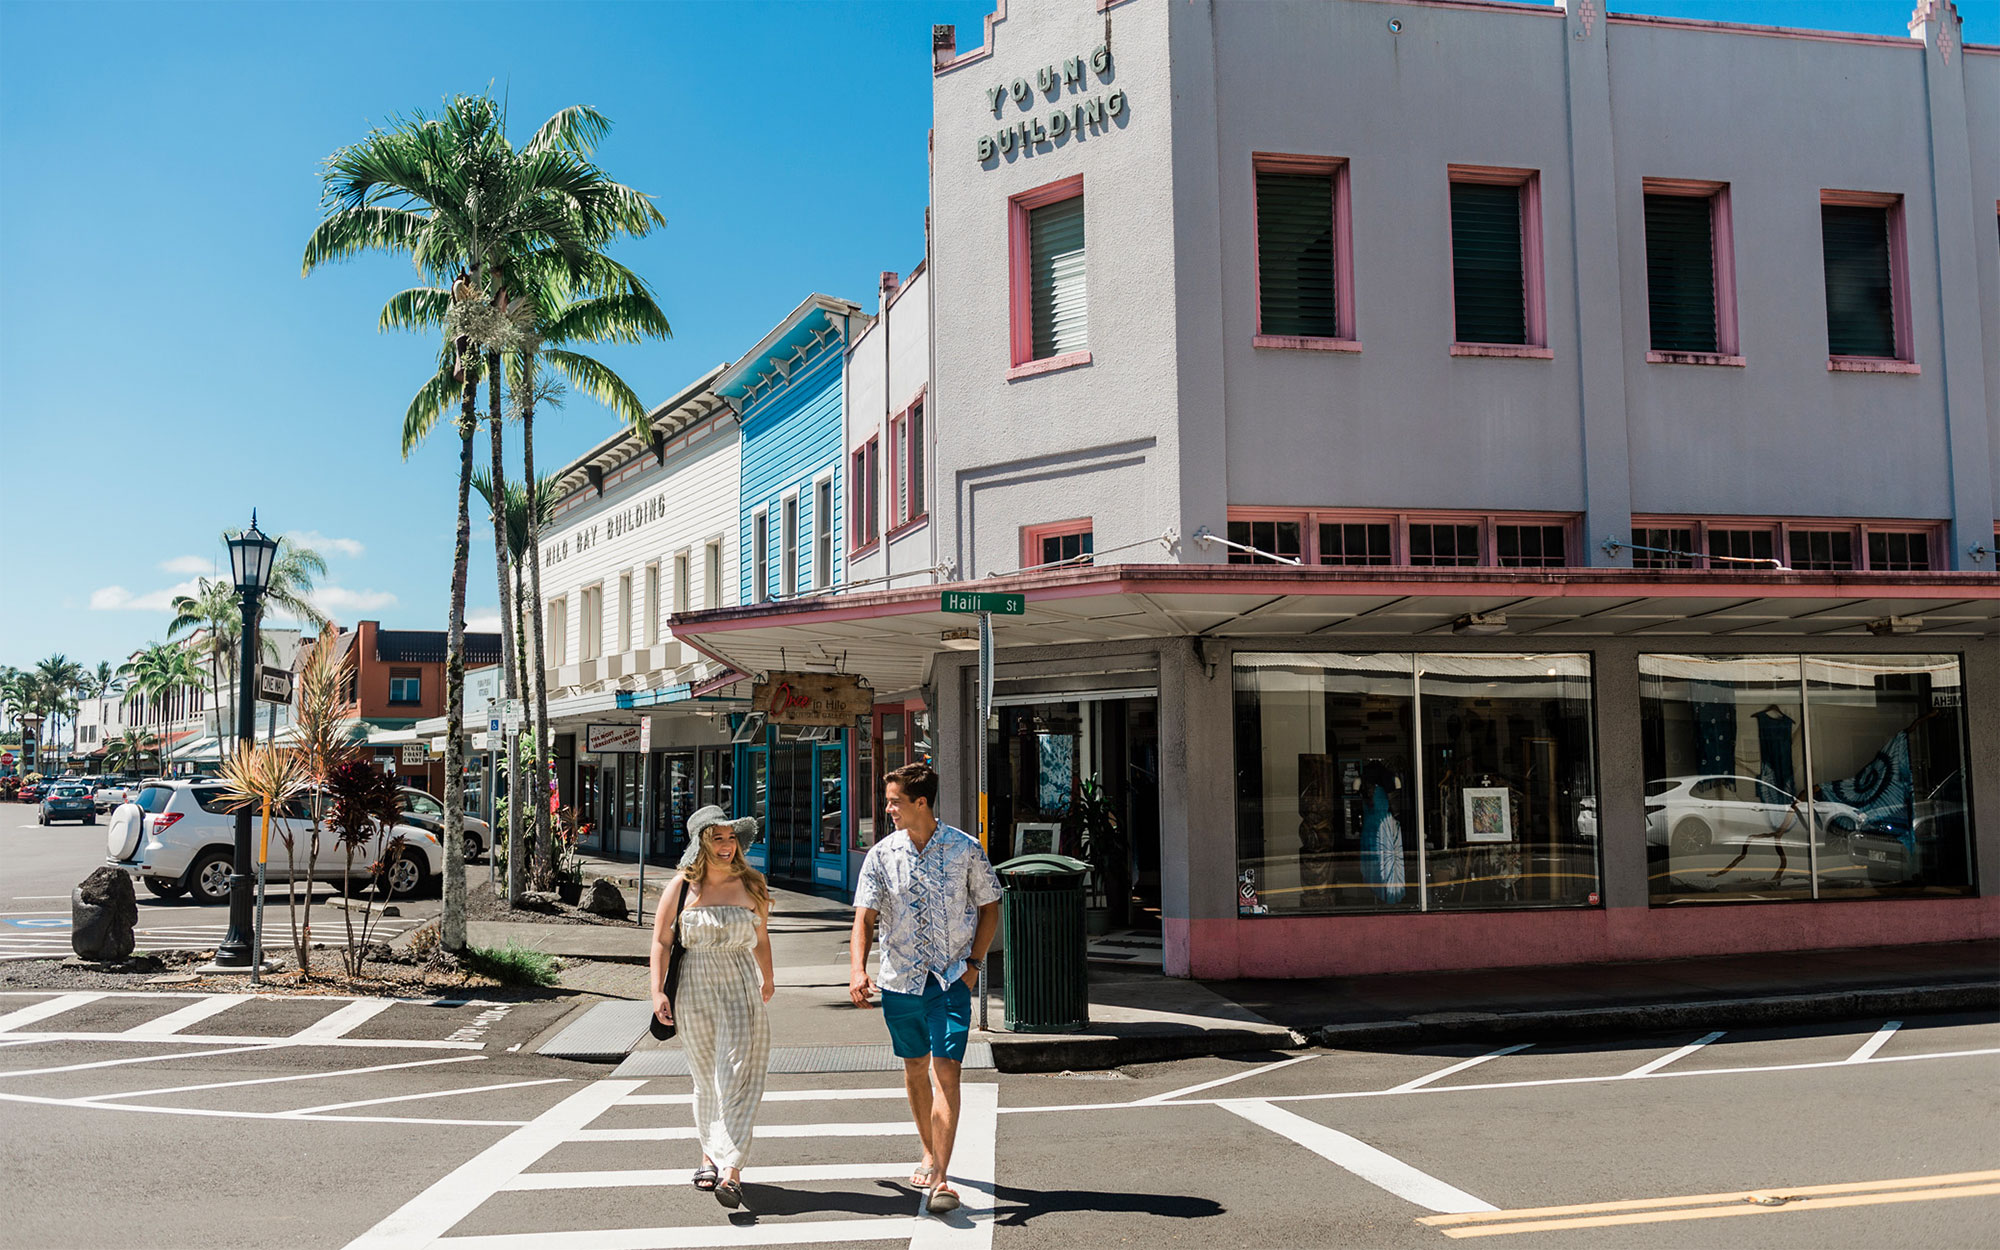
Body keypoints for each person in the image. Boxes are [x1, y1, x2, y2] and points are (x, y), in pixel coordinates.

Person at [849, 763, 1001, 1213]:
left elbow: (991, 907)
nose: (888, 808)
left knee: (947, 1073)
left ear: (921, 802)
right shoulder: (881, 854)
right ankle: (930, 1150)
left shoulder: (965, 850)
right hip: (899, 983)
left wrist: (973, 964)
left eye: (895, 800)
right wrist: (858, 970)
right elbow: (864, 917)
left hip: (950, 980)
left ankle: (941, 1177)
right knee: (915, 1068)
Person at [649, 805, 774, 1210]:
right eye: (717, 838)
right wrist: (657, 992)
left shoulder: (752, 884)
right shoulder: (683, 886)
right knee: (706, 1079)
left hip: (739, 983)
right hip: (694, 988)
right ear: (701, 842)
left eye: (731, 837)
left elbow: (762, 938)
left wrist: (768, 978)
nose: (726, 846)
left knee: (737, 1073)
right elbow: (662, 942)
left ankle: (732, 1170)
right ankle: (709, 1155)